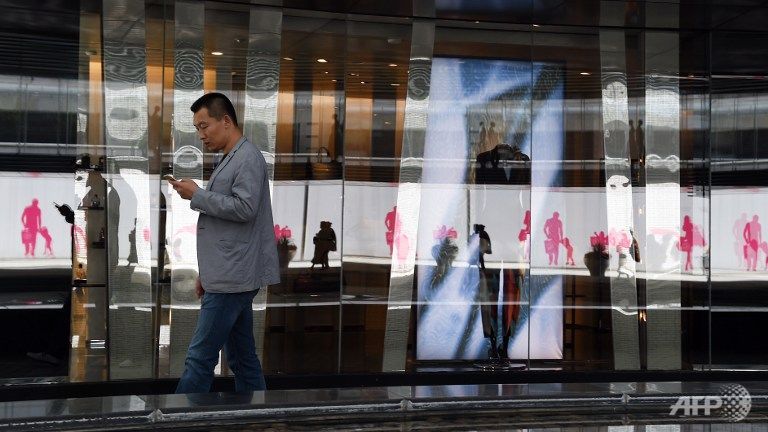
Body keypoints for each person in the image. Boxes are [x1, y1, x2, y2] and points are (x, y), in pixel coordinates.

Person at [170, 92, 280, 394]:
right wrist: (209, 274)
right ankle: (259, 416)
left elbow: (245, 208)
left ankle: (177, 419)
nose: (201, 135)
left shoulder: (247, 158)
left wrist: (198, 195)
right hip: (230, 274)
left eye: (204, 126)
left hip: (232, 278)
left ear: (226, 121)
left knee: (199, 358)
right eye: (197, 128)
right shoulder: (235, 157)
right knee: (242, 358)